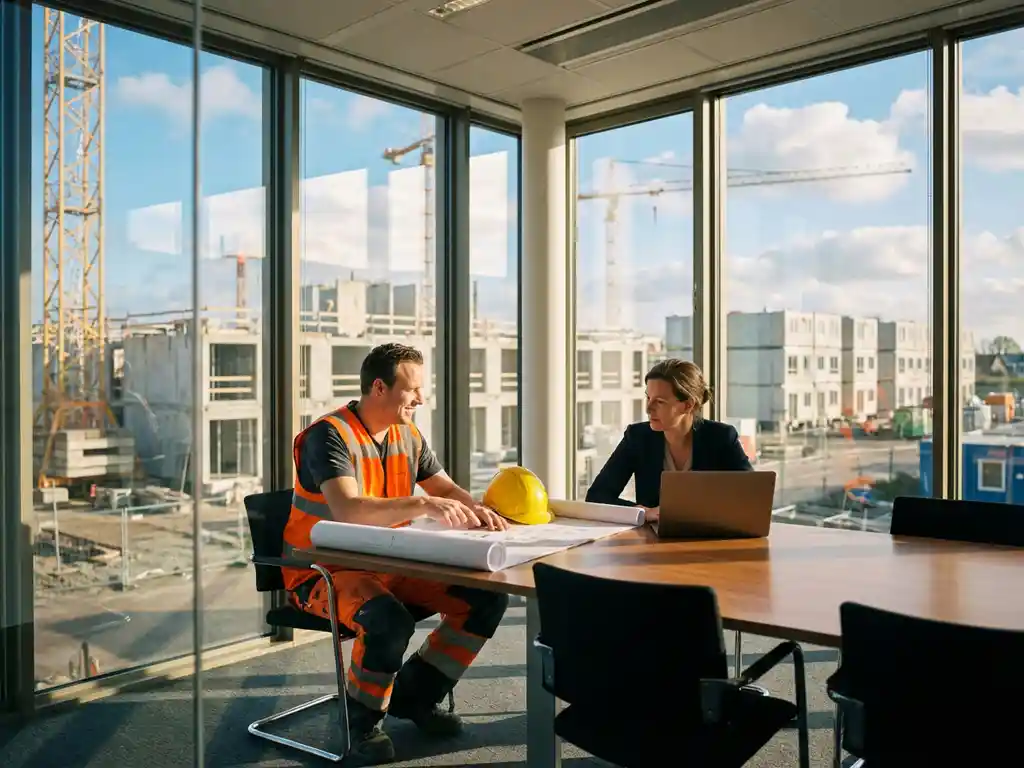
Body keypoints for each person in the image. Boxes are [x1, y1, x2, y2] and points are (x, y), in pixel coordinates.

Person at [281, 343, 510, 764]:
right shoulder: (327, 435)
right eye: (413, 389)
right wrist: (421, 505)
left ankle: (413, 697)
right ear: (380, 387)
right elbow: (348, 510)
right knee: (386, 620)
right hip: (322, 573)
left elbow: (443, 488)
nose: (421, 399)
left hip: (390, 563)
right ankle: (362, 724)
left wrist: (478, 510)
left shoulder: (409, 435)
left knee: (485, 598)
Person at [585, 358, 752, 521]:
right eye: (648, 398)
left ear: (688, 405)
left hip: (712, 537)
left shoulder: (721, 437)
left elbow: (752, 497)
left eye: (660, 402)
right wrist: (643, 513)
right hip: (653, 541)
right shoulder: (637, 437)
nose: (648, 408)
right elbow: (597, 496)